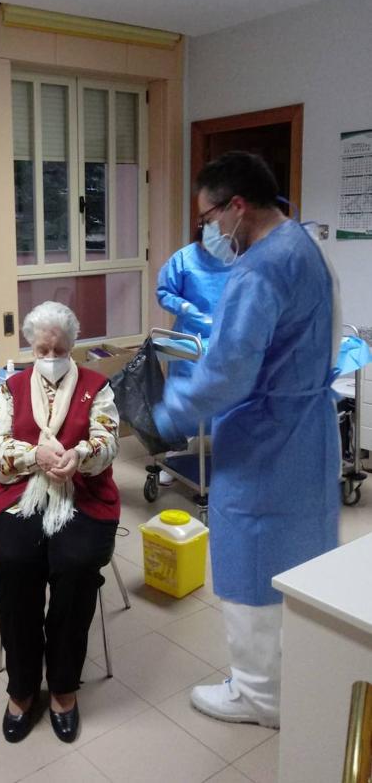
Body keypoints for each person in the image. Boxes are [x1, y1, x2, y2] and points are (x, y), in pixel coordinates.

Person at [154, 152, 341, 730]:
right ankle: (297, 674)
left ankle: (259, 696)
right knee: (300, 555)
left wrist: (169, 412)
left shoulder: (258, 269)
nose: (207, 230)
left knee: (252, 558)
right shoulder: (307, 246)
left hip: (265, 439)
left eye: (208, 216)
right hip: (308, 431)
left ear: (236, 206)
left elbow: (229, 372)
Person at [0, 301, 120, 744]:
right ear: (30, 347)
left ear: (72, 346)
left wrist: (79, 455)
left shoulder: (96, 386)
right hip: (22, 494)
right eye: (41, 349)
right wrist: (33, 455)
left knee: (78, 566)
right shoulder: (12, 386)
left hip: (83, 495)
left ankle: (63, 686)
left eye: (58, 348)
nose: (50, 356)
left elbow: (107, 439)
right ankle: (23, 687)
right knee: (16, 562)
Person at [156, 225, 231, 380]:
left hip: (226, 340)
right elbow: (164, 293)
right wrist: (183, 306)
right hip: (190, 340)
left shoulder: (237, 260)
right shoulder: (184, 259)